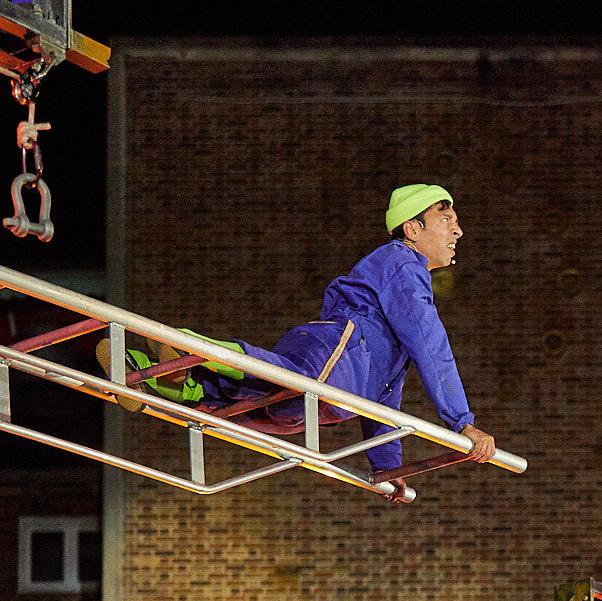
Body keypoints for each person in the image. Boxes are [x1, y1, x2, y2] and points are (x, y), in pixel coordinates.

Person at [99, 184, 498, 502]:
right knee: (285, 380)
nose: (458, 230)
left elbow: (384, 395)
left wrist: (388, 468)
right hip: (338, 356)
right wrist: (462, 422)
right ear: (413, 229)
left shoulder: (396, 318)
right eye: (446, 219)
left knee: (247, 405)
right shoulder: (402, 264)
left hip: (337, 392)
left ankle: (149, 375)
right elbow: (431, 344)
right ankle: (189, 347)